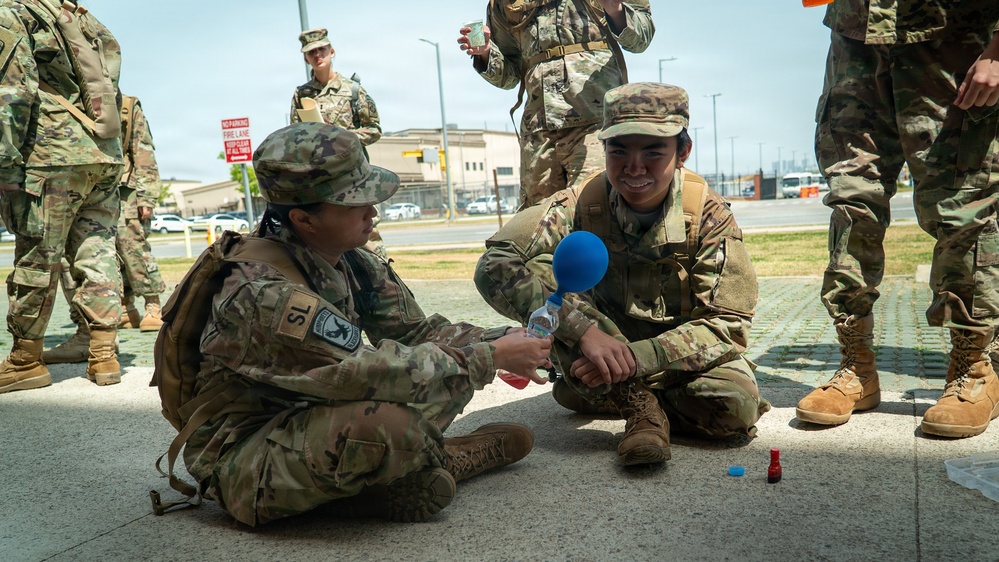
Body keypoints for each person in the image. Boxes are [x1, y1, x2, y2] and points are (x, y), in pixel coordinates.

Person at [174, 123, 551, 526]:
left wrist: (503, 340)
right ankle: (429, 463)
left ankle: (404, 466)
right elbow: (363, 373)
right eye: (355, 202)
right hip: (246, 456)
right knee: (394, 421)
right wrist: (488, 357)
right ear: (304, 219)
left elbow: (415, 333)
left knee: (446, 373)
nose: (373, 210)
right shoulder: (264, 294)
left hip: (314, 413)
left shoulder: (351, 258)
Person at [475, 82, 770, 466]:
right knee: (539, 267)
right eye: (619, 151)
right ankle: (637, 406)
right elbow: (495, 262)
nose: (634, 168)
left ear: (682, 152)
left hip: (677, 357)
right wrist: (584, 332)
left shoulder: (707, 215)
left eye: (653, 152)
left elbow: (728, 325)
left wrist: (636, 358)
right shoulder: (582, 203)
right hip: (599, 346)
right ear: (604, 149)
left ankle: (606, 389)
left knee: (733, 409)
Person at [795, 2, 999, 439]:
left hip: (952, 38)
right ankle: (856, 367)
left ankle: (974, 369)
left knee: (961, 206)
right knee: (852, 201)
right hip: (857, 37)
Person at [0, 0, 125, 392]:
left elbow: (13, 90)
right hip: (103, 152)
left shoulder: (11, 12)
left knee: (39, 254)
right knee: (97, 251)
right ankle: (103, 355)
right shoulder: (79, 15)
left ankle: (25, 361)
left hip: (52, 152)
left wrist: (5, 162)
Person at [458, 0, 654, 209]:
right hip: (540, 130)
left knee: (596, 208)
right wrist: (486, 52)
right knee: (538, 217)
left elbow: (641, 40)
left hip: (595, 123)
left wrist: (616, 11)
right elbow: (510, 77)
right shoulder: (504, 3)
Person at [42, 93, 167, 364]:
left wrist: (146, 196)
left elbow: (143, 151)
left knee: (132, 246)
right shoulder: (69, 96)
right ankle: (122, 311)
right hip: (83, 183)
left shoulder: (127, 105)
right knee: (93, 253)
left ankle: (153, 305)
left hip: (124, 187)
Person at [290, 27, 388, 258]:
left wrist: (343, 137)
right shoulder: (302, 95)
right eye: (311, 52)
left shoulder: (352, 90)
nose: (317, 55)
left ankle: (381, 275)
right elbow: (294, 135)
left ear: (331, 51)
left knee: (366, 230)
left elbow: (374, 129)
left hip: (353, 174)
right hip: (322, 178)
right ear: (305, 58)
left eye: (321, 49)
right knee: (328, 234)